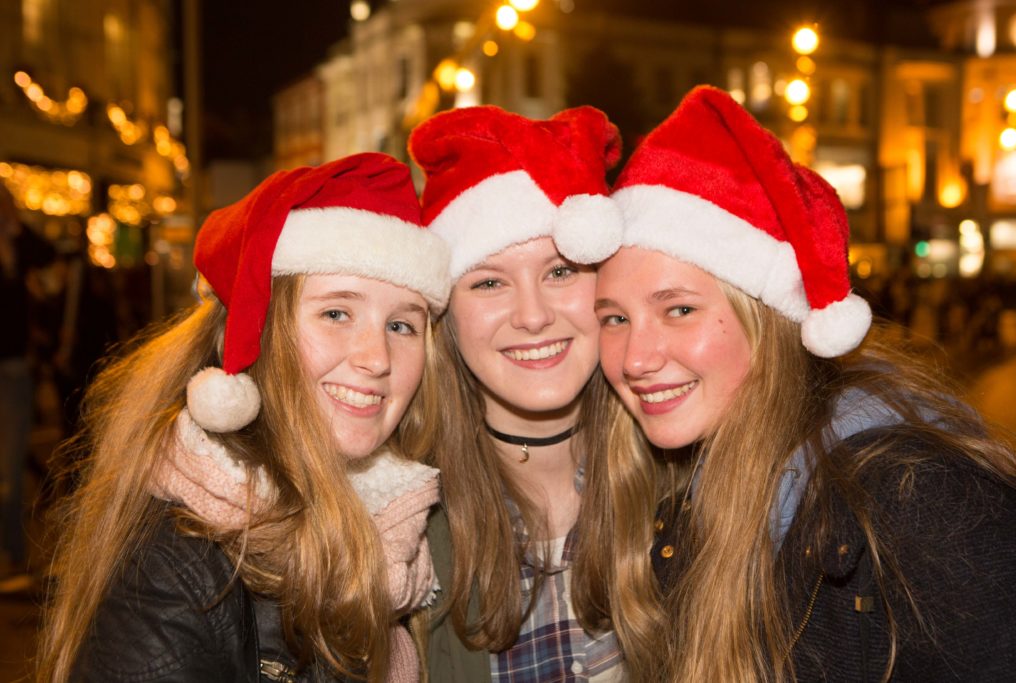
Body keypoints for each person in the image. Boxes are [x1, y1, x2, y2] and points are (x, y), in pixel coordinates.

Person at [587, 85, 1016, 681]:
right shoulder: (686, 486)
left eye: (679, 309)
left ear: (767, 321)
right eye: (615, 318)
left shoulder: (915, 502)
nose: (635, 358)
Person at [36, 153, 452, 682]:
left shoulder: (399, 522)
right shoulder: (178, 568)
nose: (377, 357)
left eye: (402, 325)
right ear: (260, 335)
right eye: (336, 313)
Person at [408, 105, 665, 681]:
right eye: (490, 282)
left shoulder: (685, 478)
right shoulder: (399, 520)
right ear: (445, 317)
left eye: (560, 272)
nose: (532, 317)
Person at [0, 182, 55, 583]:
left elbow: (47, 253)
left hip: (15, 368)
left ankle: (13, 552)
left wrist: (16, 225)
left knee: (10, 467)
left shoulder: (16, 247)